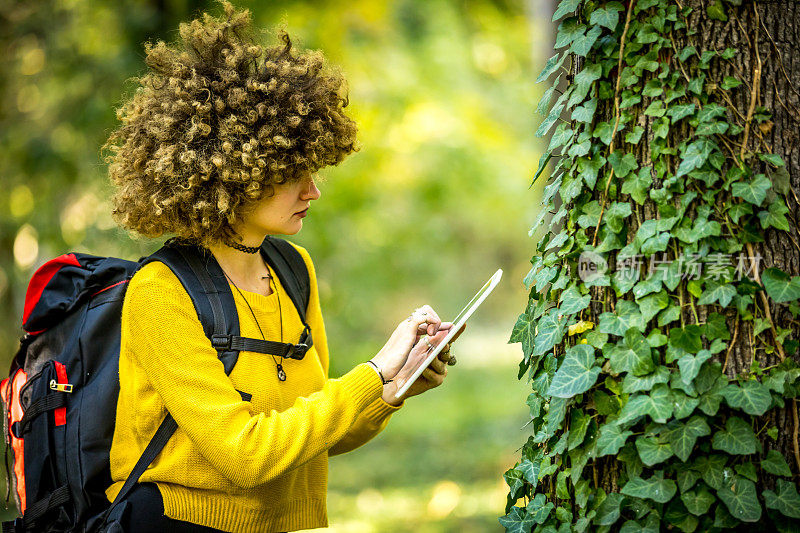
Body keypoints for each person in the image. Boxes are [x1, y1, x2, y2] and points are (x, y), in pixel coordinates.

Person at [101, 2, 462, 532]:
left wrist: (393, 387)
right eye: (292, 175)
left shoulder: (293, 268)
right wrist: (372, 373)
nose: (313, 191)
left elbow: (314, 431)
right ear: (231, 171)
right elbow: (245, 455)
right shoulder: (160, 292)